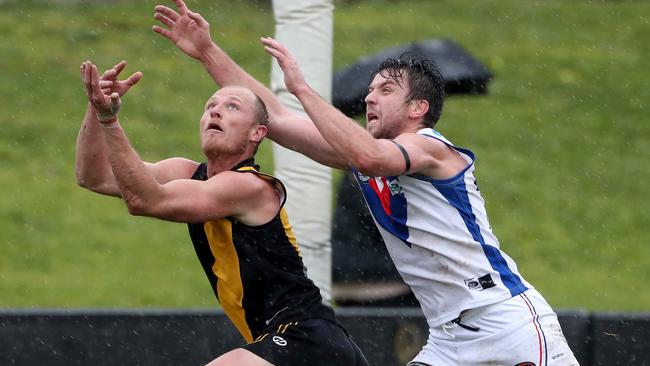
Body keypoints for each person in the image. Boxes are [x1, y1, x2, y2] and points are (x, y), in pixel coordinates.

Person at [151, 1, 580, 364]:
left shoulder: (430, 147)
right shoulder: (367, 159)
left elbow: (369, 155)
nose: (371, 97)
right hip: (449, 340)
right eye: (371, 89)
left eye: (386, 90)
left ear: (419, 108)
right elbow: (275, 119)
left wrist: (303, 89)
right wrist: (207, 51)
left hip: (507, 321)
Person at [75, 59, 368, 366]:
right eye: (210, 105)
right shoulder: (188, 173)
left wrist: (111, 123)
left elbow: (144, 200)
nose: (214, 110)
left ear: (258, 133)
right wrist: (97, 111)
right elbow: (93, 176)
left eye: (232, 107)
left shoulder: (249, 187)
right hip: (282, 340)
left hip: (308, 338)